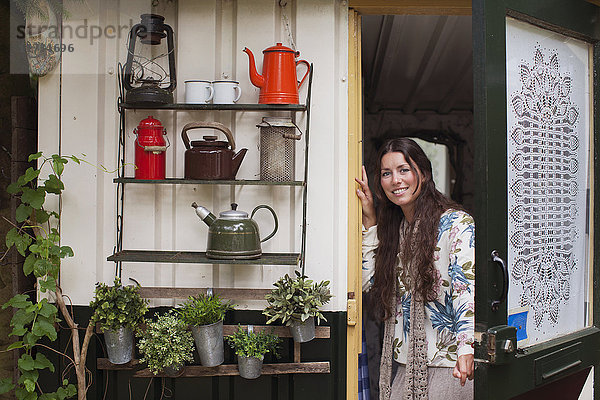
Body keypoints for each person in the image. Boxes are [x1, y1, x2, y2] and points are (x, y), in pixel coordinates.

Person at [355, 138, 475, 400]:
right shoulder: (397, 228)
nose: (396, 180)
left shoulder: (455, 222)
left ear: (423, 172)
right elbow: (369, 283)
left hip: (448, 363)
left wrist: (467, 349)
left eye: (404, 170)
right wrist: (371, 220)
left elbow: (464, 288)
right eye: (387, 173)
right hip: (405, 362)